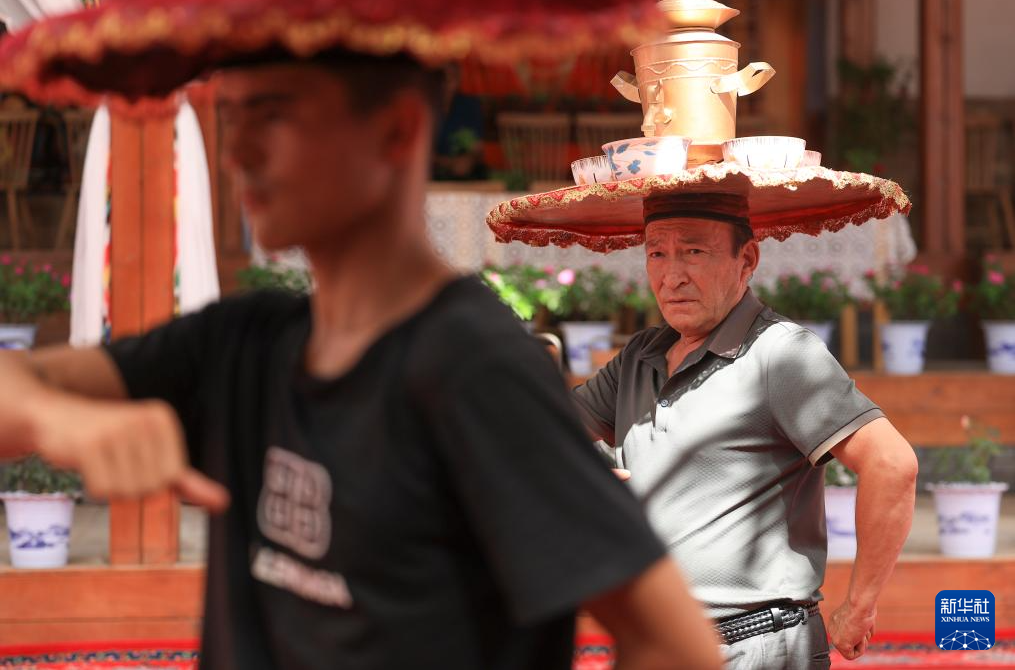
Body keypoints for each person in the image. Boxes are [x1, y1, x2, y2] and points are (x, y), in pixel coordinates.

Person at [0, 43, 724, 670]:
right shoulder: (247, 339)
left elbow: (674, 643)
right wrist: (57, 419)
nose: (237, 152)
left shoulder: (471, 365)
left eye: (273, 115)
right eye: (233, 117)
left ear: (396, 130)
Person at [572, 193, 919, 669]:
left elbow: (892, 463)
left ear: (747, 259)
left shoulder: (780, 353)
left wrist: (859, 607)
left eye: (694, 251)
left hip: (757, 646)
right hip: (658, 645)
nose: (672, 276)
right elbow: (543, 432)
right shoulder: (640, 355)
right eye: (657, 253)